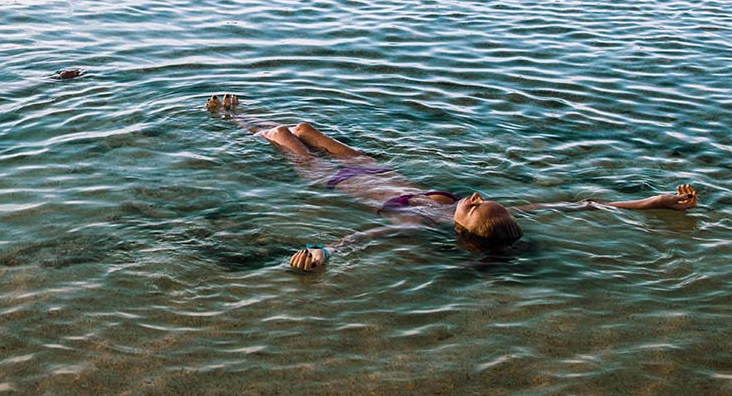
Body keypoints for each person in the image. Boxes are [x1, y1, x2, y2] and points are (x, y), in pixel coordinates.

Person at [205, 94, 698, 271]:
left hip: (334, 180)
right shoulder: (474, 214)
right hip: (376, 169)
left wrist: (322, 254)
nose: (475, 197)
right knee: (307, 128)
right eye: (482, 200)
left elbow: (360, 239)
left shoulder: (418, 225)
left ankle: (233, 117)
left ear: (464, 231)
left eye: (473, 207)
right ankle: (244, 113)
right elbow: (581, 205)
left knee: (282, 136)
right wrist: (652, 202)